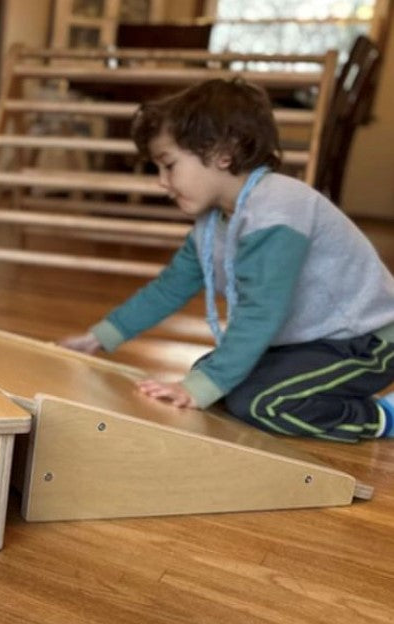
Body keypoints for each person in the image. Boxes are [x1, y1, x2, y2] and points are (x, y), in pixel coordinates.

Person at [60, 77, 394, 442]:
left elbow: (261, 311)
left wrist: (202, 387)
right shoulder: (212, 223)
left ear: (223, 152)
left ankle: (382, 416)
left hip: (367, 341)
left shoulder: (279, 208)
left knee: (263, 402)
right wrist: (99, 338)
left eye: (168, 165)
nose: (161, 182)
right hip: (312, 341)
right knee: (213, 378)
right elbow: (169, 288)